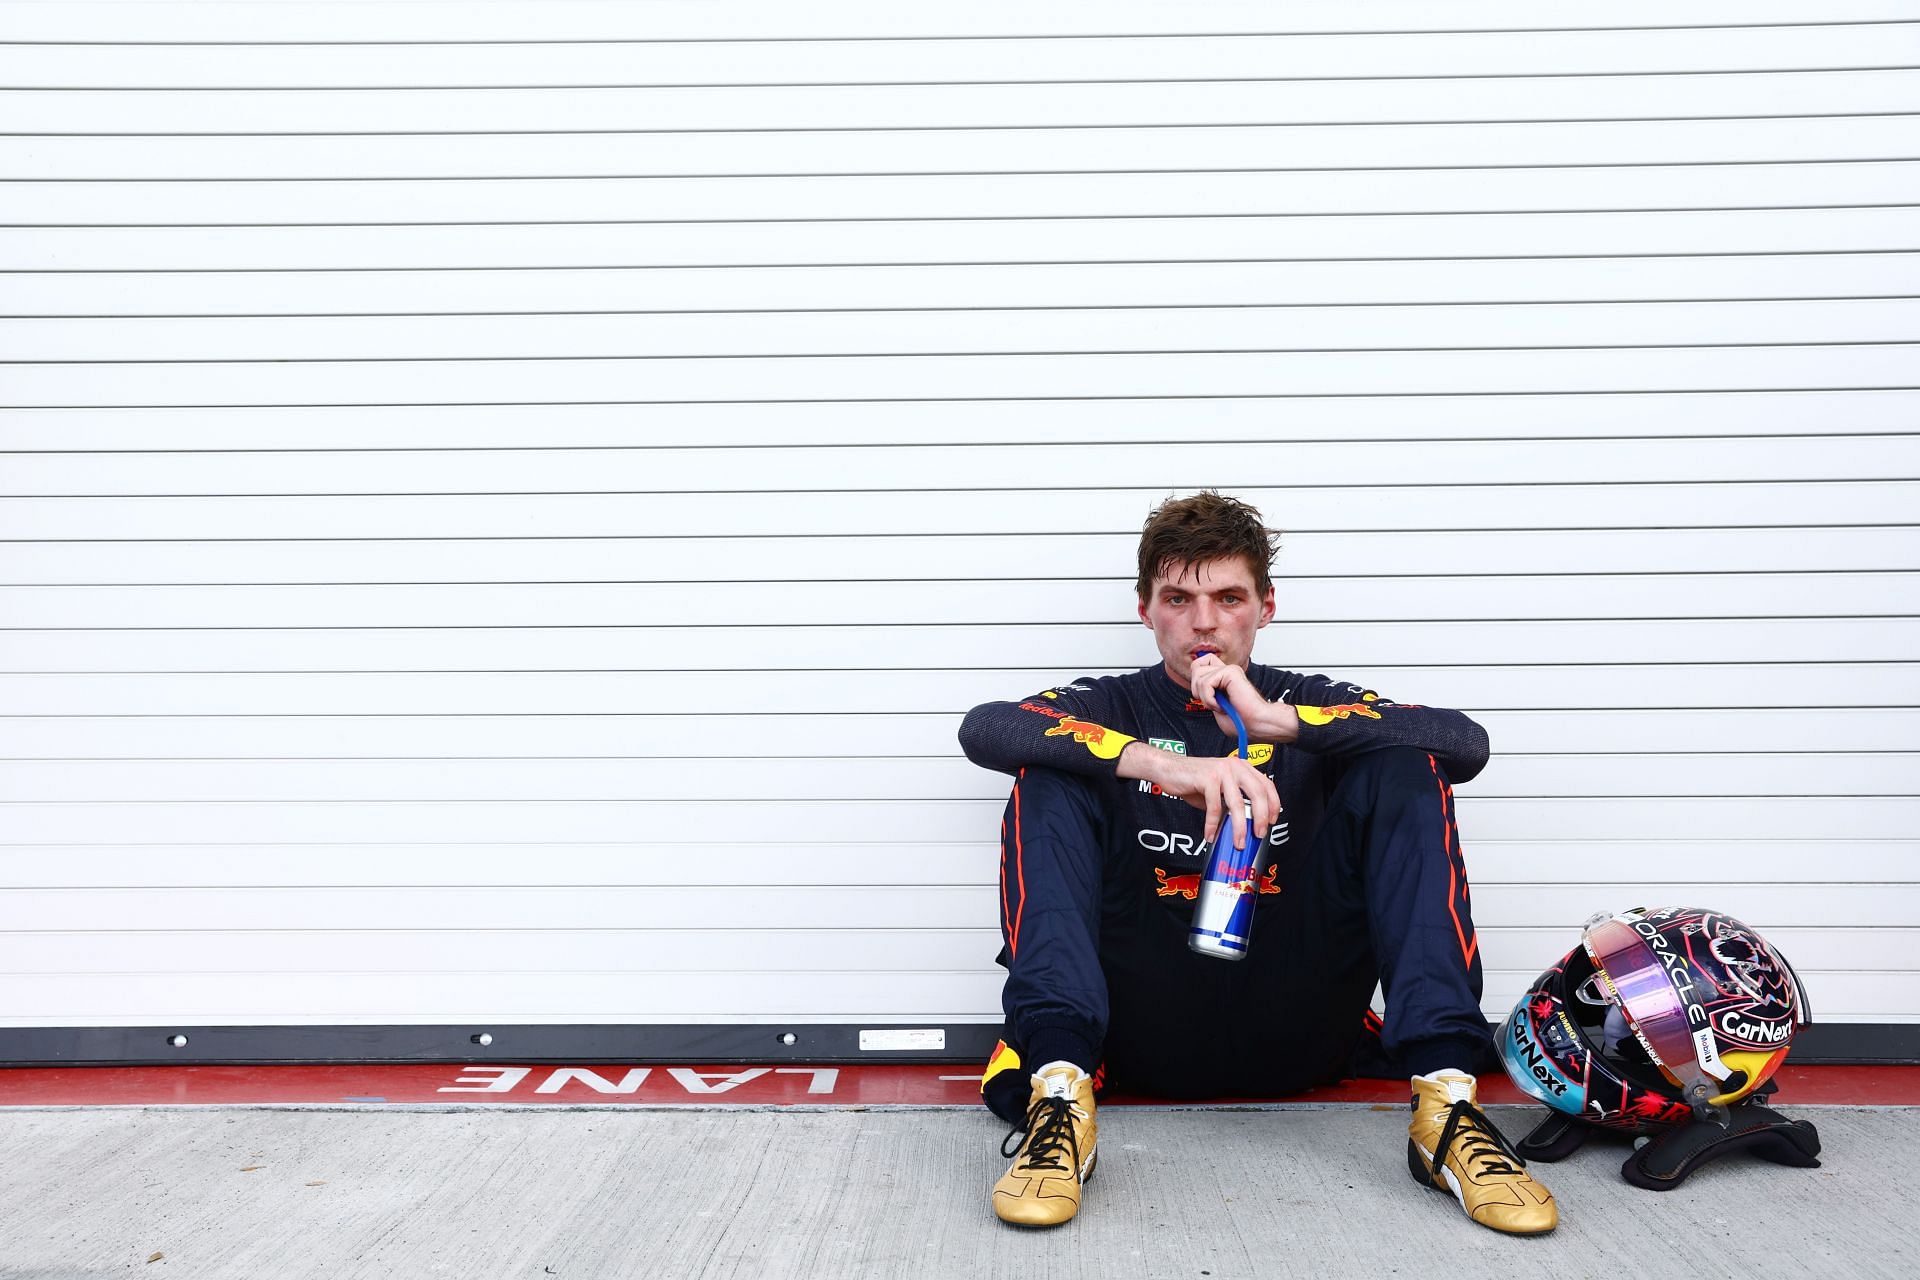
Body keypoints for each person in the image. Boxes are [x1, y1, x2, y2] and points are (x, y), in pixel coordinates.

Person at [957, 491, 1557, 1234]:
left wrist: (1281, 724)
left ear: (1265, 607)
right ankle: (1058, 1100)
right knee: (1047, 770)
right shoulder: (1111, 704)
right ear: (1146, 610)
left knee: (1405, 764)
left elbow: (1465, 742)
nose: (1204, 622)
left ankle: (1447, 1107)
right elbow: (985, 728)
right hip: (1133, 1029)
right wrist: (1163, 766)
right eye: (1179, 597)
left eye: (1228, 597)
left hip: (1299, 1014)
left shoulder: (1307, 702)